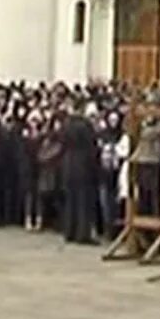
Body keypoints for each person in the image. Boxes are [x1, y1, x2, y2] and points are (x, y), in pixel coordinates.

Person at [59, 103, 101, 245]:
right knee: (83, 201)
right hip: (83, 165)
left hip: (68, 164)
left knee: (71, 200)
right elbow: (91, 146)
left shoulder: (66, 125)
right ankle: (82, 234)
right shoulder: (85, 126)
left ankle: (69, 231)